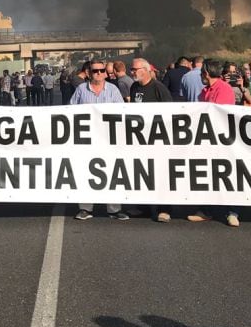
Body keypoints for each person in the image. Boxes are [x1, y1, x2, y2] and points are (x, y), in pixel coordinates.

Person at [71, 59, 126, 220]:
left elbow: (122, 112)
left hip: (109, 140)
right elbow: (70, 111)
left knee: (113, 172)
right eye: (95, 71)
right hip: (87, 140)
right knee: (86, 172)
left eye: (102, 70)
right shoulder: (81, 90)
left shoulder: (113, 90)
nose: (100, 74)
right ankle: (85, 208)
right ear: (88, 73)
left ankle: (114, 209)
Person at [191, 59, 241, 227]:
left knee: (227, 175)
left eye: (201, 73)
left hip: (223, 141)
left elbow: (220, 115)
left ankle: (232, 211)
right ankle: (206, 210)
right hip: (207, 141)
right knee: (207, 175)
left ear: (206, 73)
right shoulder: (205, 91)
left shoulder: (224, 89)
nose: (200, 76)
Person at [128, 57, 174, 221]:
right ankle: (145, 207)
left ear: (146, 70)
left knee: (161, 174)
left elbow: (170, 113)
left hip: (158, 140)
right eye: (131, 69)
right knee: (143, 173)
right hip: (139, 140)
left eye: (135, 69)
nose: (132, 72)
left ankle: (164, 209)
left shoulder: (158, 88)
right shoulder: (134, 87)